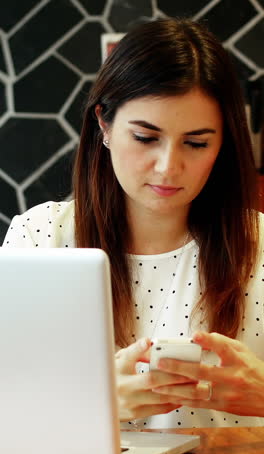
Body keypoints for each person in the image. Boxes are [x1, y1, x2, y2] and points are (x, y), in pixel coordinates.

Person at [2, 18, 264, 429]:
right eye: (145, 137)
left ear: (223, 144)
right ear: (103, 124)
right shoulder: (38, 240)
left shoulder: (261, 247)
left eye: (197, 143)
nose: (168, 167)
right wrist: (92, 406)